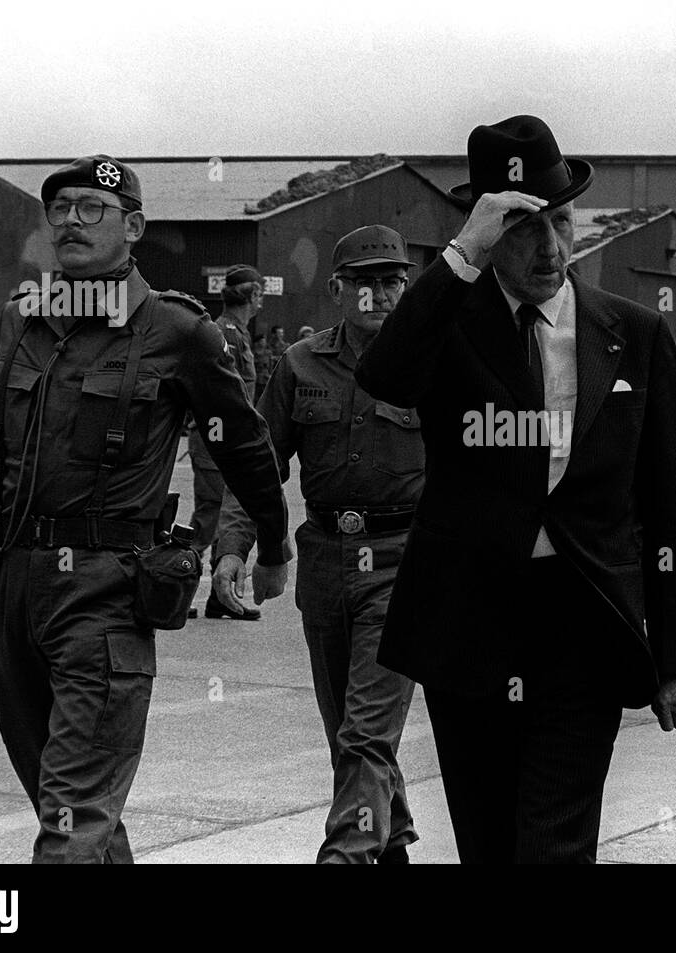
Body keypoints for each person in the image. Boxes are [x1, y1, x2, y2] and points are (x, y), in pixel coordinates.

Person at [355, 114, 676, 863]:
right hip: (468, 622)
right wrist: (460, 259)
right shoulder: (450, 320)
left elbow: (669, 503)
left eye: (562, 223)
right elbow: (383, 376)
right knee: (488, 841)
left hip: (584, 620)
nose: (548, 247)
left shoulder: (633, 333)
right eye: (521, 227)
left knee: (553, 845)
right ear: (484, 230)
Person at [0, 155, 290, 863]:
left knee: (70, 824)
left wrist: (271, 543)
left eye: (91, 208)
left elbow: (247, 447)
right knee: (76, 811)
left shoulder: (178, 331)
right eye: (61, 208)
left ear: (133, 227)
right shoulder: (23, 321)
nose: (71, 220)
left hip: (104, 598)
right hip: (14, 593)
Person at [214, 225, 424, 864]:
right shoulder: (300, 364)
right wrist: (235, 545)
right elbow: (261, 462)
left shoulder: (433, 363)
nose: (378, 295)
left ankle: (346, 857)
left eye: (390, 281)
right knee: (350, 735)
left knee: (365, 732)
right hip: (328, 561)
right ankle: (391, 847)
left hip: (402, 562)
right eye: (364, 283)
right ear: (338, 289)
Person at [187, 264, 266, 621]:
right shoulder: (224, 333)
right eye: (260, 293)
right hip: (215, 443)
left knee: (226, 518)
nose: (263, 300)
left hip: (228, 443)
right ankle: (175, 587)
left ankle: (221, 598)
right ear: (250, 296)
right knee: (208, 517)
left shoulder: (239, 333)